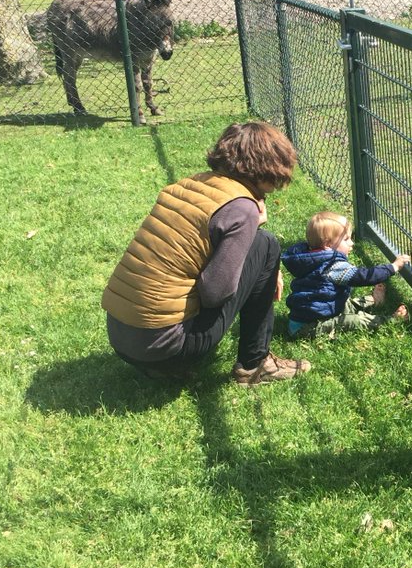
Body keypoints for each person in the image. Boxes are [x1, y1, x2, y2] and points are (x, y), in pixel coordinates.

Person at [102, 121, 312, 386]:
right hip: (165, 349)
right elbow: (215, 294)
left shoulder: (191, 184)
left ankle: (162, 366)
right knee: (267, 245)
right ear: (269, 166)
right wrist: (261, 266)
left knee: (259, 246)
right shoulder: (241, 208)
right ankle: (256, 365)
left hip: (122, 339)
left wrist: (258, 263)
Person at [282, 212, 411, 339]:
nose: (352, 243)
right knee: (351, 320)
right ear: (327, 245)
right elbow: (363, 276)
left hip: (315, 311)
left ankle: (374, 301)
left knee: (346, 303)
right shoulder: (332, 266)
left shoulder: (309, 257)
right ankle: (390, 321)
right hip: (307, 328)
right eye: (346, 239)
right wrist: (393, 267)